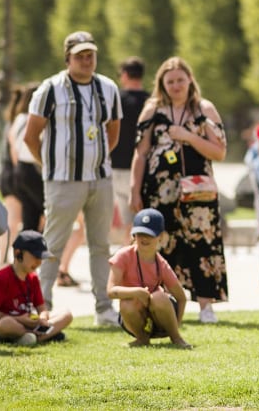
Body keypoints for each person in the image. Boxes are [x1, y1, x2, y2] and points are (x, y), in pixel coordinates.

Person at [23, 30, 122, 327]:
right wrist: (51, 165)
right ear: (68, 58)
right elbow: (31, 136)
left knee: (101, 244)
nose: (86, 60)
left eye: (90, 54)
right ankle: (43, 306)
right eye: (80, 55)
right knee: (52, 245)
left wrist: (98, 158)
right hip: (63, 180)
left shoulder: (108, 87)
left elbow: (113, 131)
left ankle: (104, 308)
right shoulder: (50, 89)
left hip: (100, 178)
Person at [130, 57, 228, 324]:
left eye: (180, 80)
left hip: (198, 194)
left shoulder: (204, 109)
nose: (175, 85)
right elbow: (140, 153)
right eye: (170, 81)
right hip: (159, 193)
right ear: (161, 83)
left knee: (202, 245)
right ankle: (159, 303)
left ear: (190, 80)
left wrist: (188, 137)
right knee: (161, 246)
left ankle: (206, 306)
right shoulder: (152, 110)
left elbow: (219, 151)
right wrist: (134, 189)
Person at [108, 208, 191, 348]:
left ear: (161, 237)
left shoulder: (162, 264)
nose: (144, 238)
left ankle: (176, 338)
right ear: (133, 235)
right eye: (140, 234)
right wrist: (136, 292)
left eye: (149, 234)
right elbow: (110, 291)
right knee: (126, 303)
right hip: (134, 319)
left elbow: (181, 298)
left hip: (160, 322)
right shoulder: (122, 256)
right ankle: (142, 338)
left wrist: (176, 326)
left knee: (159, 297)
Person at [0, 230, 73, 345]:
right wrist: (20, 319)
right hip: (1, 325)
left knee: (66, 314)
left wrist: (42, 319)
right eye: (35, 256)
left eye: (41, 258)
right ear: (18, 253)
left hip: (25, 323)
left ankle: (31, 337)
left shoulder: (33, 278)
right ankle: (42, 335)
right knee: (7, 323)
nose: (39, 262)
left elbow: (42, 309)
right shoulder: (0, 279)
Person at [109, 57, 150, 244]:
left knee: (128, 221)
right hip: (143, 168)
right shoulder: (152, 102)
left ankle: (129, 258)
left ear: (124, 75)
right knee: (142, 219)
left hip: (116, 166)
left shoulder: (115, 99)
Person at [7, 83, 43, 234]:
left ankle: (24, 256)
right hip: (34, 168)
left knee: (29, 218)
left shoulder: (19, 118)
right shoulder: (36, 119)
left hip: (21, 169)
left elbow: (13, 146)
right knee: (49, 213)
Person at [0, 86, 23, 267]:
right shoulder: (19, 123)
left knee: (11, 221)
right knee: (12, 222)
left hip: (7, 174)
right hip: (15, 175)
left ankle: (4, 259)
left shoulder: (11, 122)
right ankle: (6, 260)